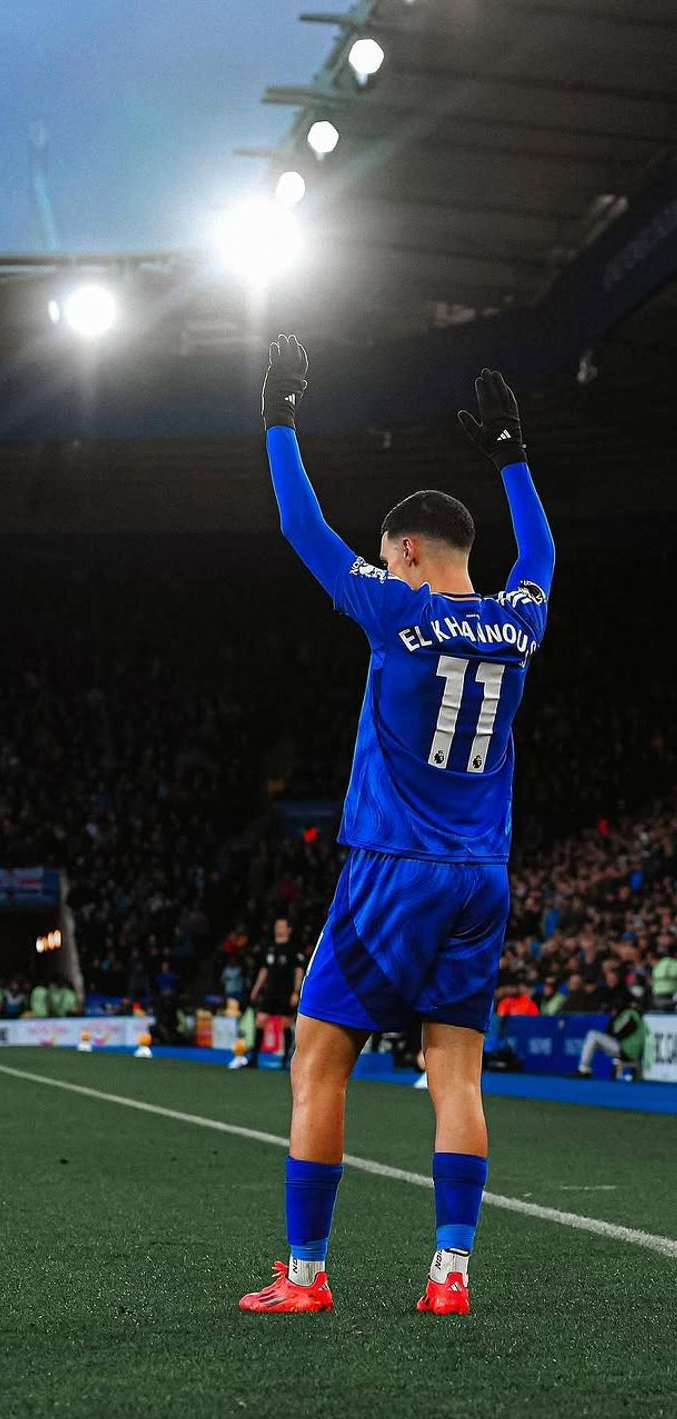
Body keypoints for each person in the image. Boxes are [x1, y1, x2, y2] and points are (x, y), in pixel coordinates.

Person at [238, 342, 554, 1318]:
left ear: (408, 552)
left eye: (386, 554)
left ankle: (305, 1277)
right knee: (455, 1072)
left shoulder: (394, 608)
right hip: (482, 875)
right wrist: (512, 451)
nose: (381, 565)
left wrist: (279, 412)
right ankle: (450, 1274)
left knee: (318, 1058)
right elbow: (539, 557)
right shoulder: (517, 622)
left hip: (393, 869)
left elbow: (300, 524)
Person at [247, 917, 304, 1070]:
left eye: (281, 925)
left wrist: (296, 992)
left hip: (286, 992)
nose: (278, 927)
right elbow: (264, 969)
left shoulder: (293, 948)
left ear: (289, 929)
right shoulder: (269, 947)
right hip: (270, 991)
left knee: (286, 1023)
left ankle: (286, 1059)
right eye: (277, 925)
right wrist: (256, 989)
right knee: (260, 1020)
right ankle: (254, 1058)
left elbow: (299, 971)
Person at [572, 994, 645, 1080]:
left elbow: (616, 1032)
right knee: (593, 1039)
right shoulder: (629, 1013)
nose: (613, 1009)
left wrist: (614, 1017)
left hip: (628, 1050)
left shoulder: (629, 1013)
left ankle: (584, 1069)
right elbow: (613, 1033)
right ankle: (584, 1069)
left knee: (592, 1035)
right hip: (628, 1049)